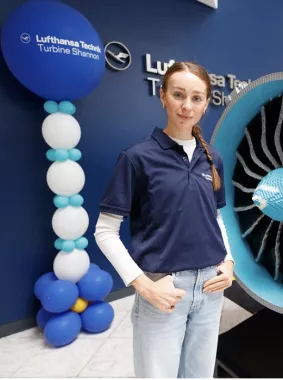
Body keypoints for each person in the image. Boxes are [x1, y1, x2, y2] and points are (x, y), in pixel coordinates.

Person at [94, 61, 234, 378]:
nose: (187, 106)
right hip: (163, 289)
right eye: (178, 94)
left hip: (211, 288)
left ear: (205, 104)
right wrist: (143, 285)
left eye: (196, 98)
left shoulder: (213, 157)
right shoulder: (137, 158)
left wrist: (229, 262)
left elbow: (215, 218)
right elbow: (105, 231)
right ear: (163, 97)